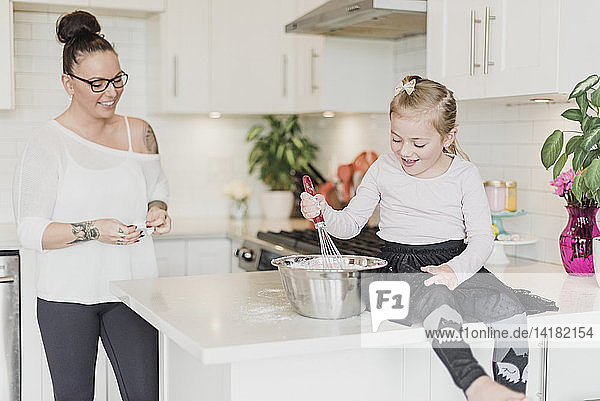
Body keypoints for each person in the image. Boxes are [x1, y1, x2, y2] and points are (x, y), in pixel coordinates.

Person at [300, 76, 533, 401]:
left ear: (448, 137)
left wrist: (456, 270)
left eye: (418, 143)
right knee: (439, 304)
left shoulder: (464, 174)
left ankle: (511, 394)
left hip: (454, 264)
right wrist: (322, 212)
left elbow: (482, 239)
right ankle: (476, 386)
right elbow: (350, 224)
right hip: (400, 267)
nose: (405, 151)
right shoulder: (382, 169)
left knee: (511, 310)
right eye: (396, 139)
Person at [13, 10, 170, 401]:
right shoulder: (47, 142)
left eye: (117, 80)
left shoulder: (140, 132)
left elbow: (158, 187)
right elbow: (30, 231)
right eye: (97, 83)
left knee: (146, 395)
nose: (111, 92)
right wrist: (94, 230)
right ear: (68, 83)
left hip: (133, 294)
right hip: (66, 300)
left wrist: (157, 209)